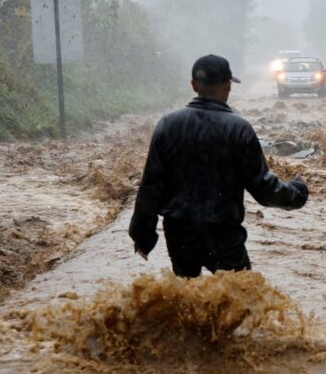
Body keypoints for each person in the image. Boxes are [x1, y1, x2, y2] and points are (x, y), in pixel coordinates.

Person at [129, 54, 308, 277]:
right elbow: (263, 189)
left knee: (187, 299)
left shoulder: (168, 124)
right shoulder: (239, 129)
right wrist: (297, 191)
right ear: (228, 85)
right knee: (240, 298)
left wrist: (143, 237)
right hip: (223, 234)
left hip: (179, 233)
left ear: (194, 85)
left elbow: (151, 186)